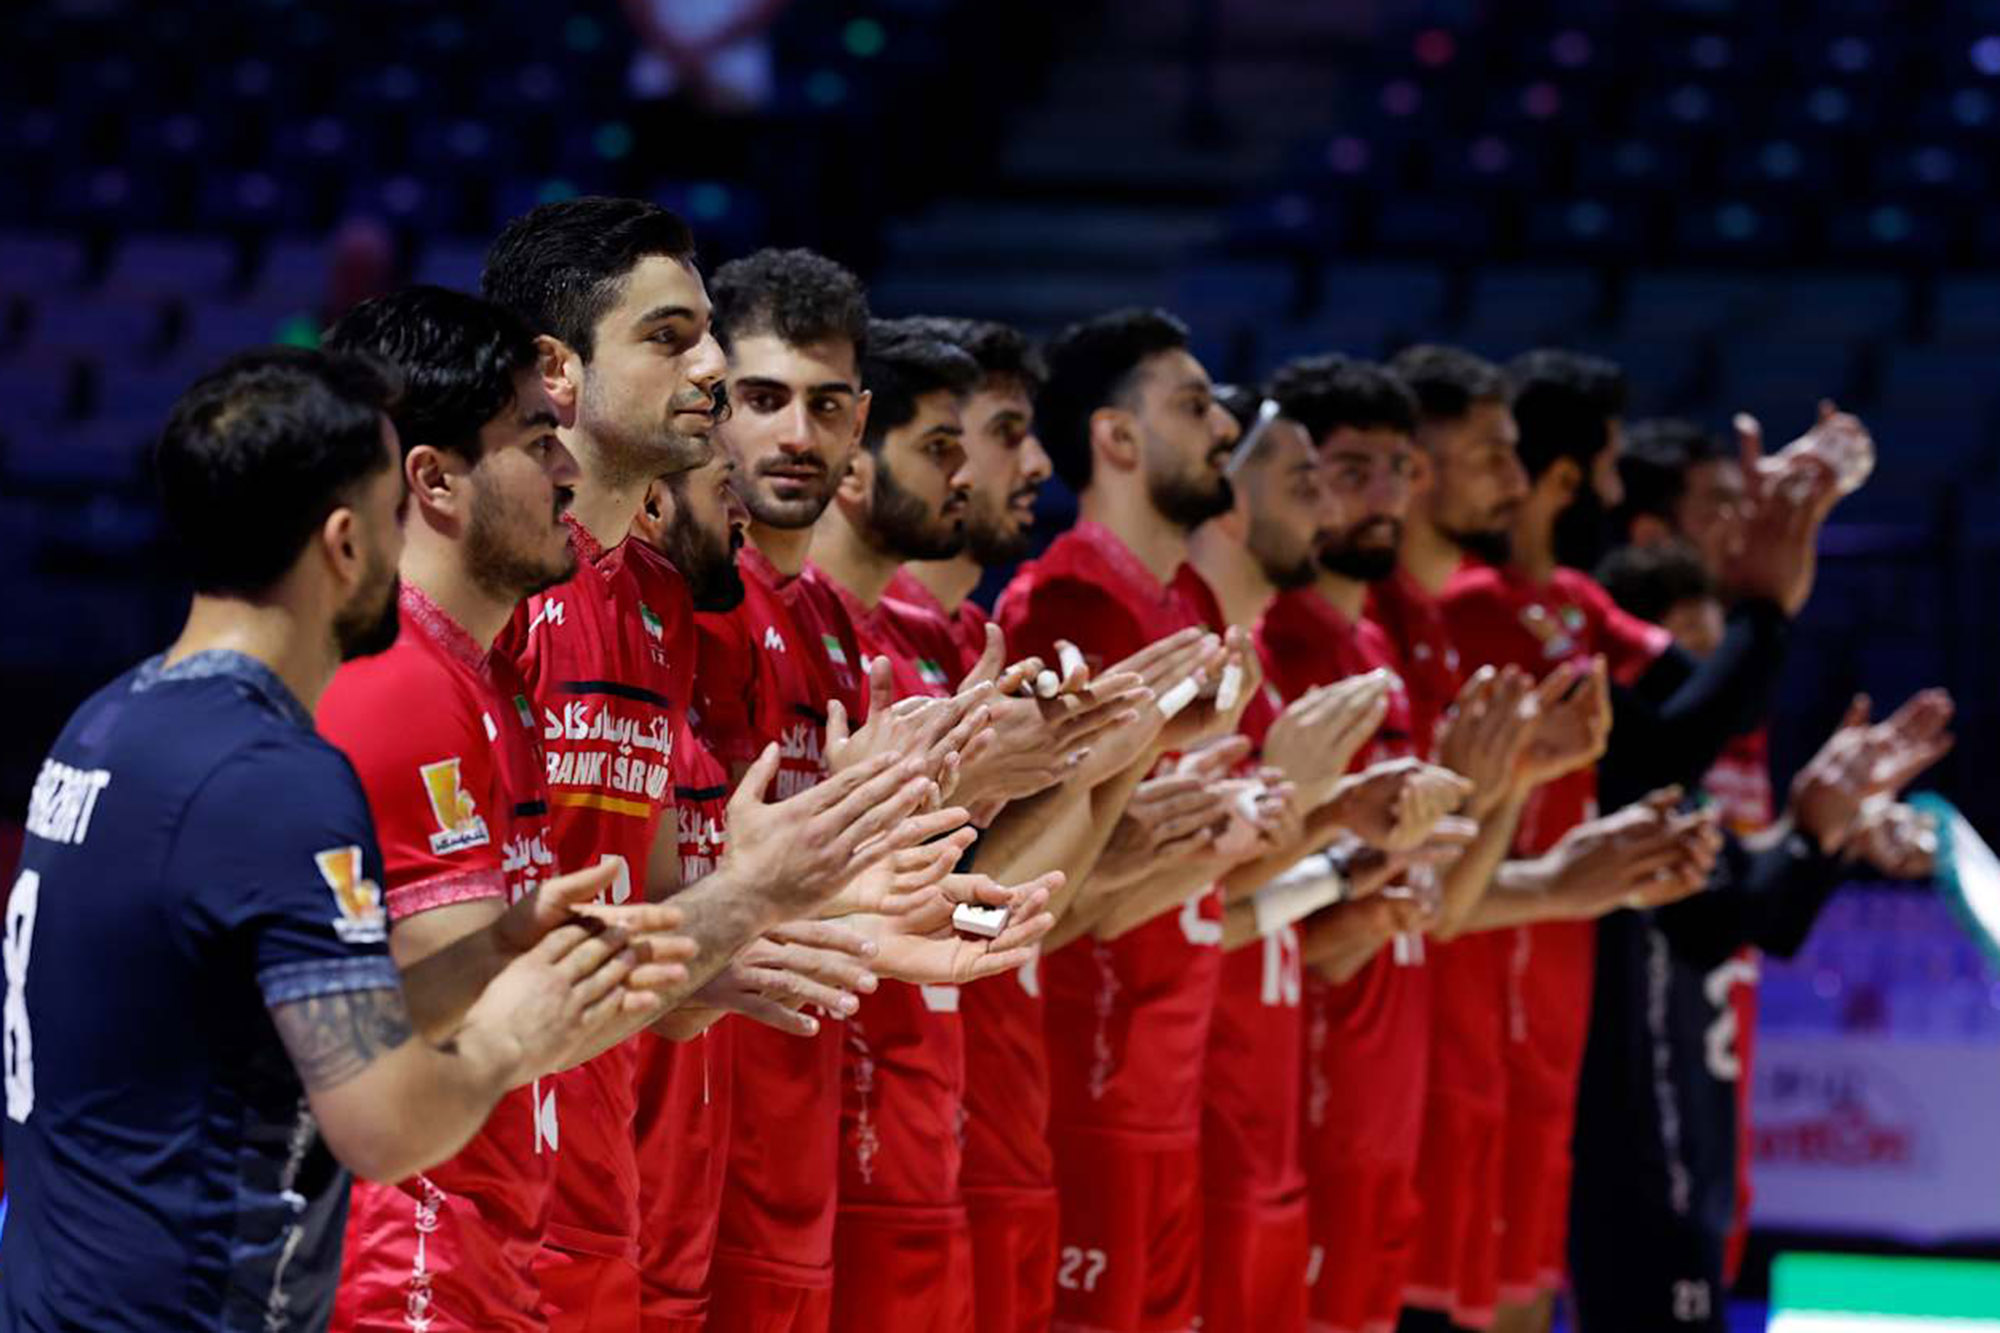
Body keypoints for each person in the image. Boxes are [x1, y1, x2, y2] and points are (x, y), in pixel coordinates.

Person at [0, 347, 692, 1331]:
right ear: (345, 541)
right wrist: (516, 1034)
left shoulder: (106, 721)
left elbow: (273, 1026)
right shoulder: (273, 776)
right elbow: (384, 1125)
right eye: (390, 510)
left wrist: (491, 952)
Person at [483, 201, 954, 1333]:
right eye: (671, 339)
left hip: (618, 1193)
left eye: (707, 339)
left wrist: (820, 913)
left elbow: (668, 960)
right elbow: (453, 948)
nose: (710, 371)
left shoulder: (657, 603)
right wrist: (769, 898)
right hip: (486, 1203)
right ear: (558, 367)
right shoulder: (491, 585)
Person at [314, 286, 590, 1331]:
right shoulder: (397, 679)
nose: (568, 471)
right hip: (404, 1264)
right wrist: (761, 898)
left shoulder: (486, 677)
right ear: (432, 478)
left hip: (480, 1251)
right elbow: (470, 1003)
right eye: (538, 441)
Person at [994, 307, 1264, 1333]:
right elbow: (1022, 886)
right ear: (1114, 436)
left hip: (1175, 1084)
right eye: (1193, 406)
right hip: (1086, 1088)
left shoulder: (1188, 601)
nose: (1223, 429)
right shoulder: (1059, 606)